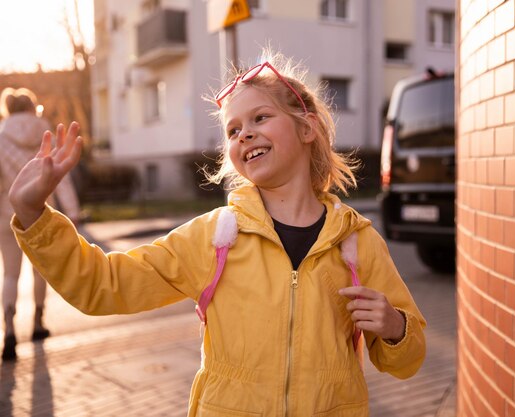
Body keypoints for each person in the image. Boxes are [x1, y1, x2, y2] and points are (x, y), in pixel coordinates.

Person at [7, 51, 426, 415]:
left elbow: (408, 359)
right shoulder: (214, 237)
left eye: (260, 117)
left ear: (307, 128)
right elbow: (104, 285)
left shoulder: (357, 242)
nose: (244, 133)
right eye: (232, 129)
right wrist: (34, 215)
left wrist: (394, 328)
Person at [0, 87, 81, 361]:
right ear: (32, 107)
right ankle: (37, 323)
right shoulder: (46, 134)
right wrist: (72, 210)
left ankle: (9, 330)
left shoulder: (0, 138)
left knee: (10, 274)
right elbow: (62, 176)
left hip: (6, 214)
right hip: (42, 213)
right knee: (39, 272)